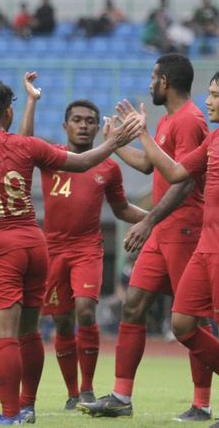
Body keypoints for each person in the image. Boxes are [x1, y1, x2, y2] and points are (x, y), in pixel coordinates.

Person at [0, 76, 131, 425]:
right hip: (35, 243)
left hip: (0, 246)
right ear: (9, 112)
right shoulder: (28, 146)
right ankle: (27, 407)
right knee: (29, 332)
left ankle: (10, 414)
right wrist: (115, 142)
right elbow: (81, 162)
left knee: (5, 337)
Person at [113, 61, 219, 428]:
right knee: (182, 324)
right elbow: (176, 173)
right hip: (204, 244)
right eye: (209, 93)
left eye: (215, 95)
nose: (208, 100)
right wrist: (143, 135)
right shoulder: (215, 140)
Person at [77, 53, 212, 422]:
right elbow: (150, 164)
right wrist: (116, 142)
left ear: (165, 82)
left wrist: (148, 220)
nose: (150, 84)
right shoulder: (170, 120)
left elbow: (183, 183)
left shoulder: (189, 121)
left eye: (153, 78)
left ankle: (204, 402)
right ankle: (121, 396)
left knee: (192, 319)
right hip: (164, 229)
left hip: (184, 229)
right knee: (133, 305)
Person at [18, 73, 147, 411]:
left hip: (87, 250)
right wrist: (31, 101)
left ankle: (88, 390)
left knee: (85, 310)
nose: (84, 126)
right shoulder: (52, 156)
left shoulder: (108, 168)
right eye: (77, 120)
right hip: (53, 251)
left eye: (90, 121)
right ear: (65, 126)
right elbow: (23, 143)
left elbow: (121, 209)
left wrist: (154, 217)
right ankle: (72, 393)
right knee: (61, 321)